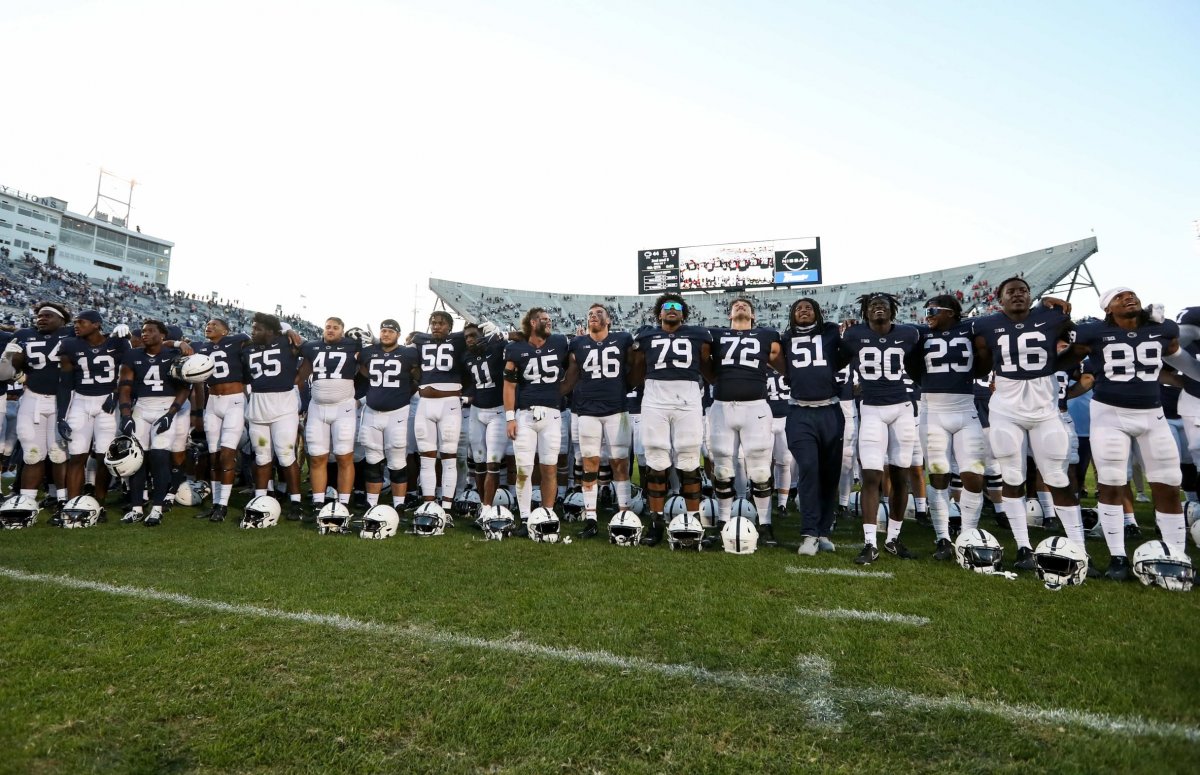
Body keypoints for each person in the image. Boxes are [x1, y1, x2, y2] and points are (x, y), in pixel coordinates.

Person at [1065, 288, 1200, 578]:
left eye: (1132, 295)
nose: (1129, 298)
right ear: (1107, 308)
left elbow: (1180, 359)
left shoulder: (1162, 329)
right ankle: (1117, 557)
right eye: (1119, 296)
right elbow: (1065, 355)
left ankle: (1177, 557)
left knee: (1168, 484)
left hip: (1153, 415)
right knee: (1112, 483)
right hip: (1109, 415)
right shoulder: (1092, 332)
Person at [971, 276, 1079, 571]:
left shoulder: (1052, 315)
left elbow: (1074, 344)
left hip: (1045, 408)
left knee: (1058, 476)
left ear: (1031, 296)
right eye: (1011, 291)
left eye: (1023, 291)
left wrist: (1051, 306)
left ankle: (1078, 549)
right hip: (1006, 408)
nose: (1018, 295)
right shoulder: (984, 326)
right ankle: (1023, 547)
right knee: (1012, 476)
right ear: (999, 299)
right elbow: (981, 361)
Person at [840, 293, 923, 564]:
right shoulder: (853, 335)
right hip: (872, 409)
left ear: (893, 311)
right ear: (866, 311)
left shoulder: (910, 333)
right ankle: (869, 542)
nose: (878, 308)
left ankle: (893, 538)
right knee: (871, 476)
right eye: (873, 305)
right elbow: (838, 360)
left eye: (884, 305)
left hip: (901, 409)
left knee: (901, 476)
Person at [629, 294, 714, 546]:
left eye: (678, 307)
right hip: (655, 397)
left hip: (687, 396)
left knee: (689, 459)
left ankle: (693, 520)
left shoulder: (700, 334)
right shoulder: (645, 336)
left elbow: (709, 365)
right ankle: (655, 522)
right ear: (659, 313)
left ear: (684, 313)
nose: (673, 310)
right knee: (656, 459)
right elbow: (637, 370)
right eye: (667, 307)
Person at [771, 297, 846, 555]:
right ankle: (809, 533)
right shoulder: (785, 338)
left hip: (831, 410)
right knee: (809, 469)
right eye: (798, 308)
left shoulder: (831, 331)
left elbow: (845, 355)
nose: (803, 311)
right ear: (792, 314)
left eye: (809, 308)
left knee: (830, 474)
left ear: (818, 313)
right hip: (799, 411)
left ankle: (823, 530)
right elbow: (779, 364)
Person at [916, 295, 986, 560]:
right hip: (932, 411)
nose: (928, 314)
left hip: (965, 409)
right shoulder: (921, 334)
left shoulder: (972, 327)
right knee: (938, 474)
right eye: (926, 310)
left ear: (952, 313)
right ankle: (942, 537)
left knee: (974, 474)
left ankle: (968, 535)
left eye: (933, 310)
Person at [706, 298, 781, 540]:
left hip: (755, 406)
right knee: (722, 469)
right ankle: (723, 521)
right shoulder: (715, 334)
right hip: (722, 406)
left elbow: (782, 365)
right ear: (728, 314)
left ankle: (766, 523)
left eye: (746, 305)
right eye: (736, 305)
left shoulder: (767, 334)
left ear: (753, 315)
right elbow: (703, 363)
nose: (740, 306)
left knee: (760, 470)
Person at [560, 303, 634, 537]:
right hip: (587, 410)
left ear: (609, 320)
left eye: (598, 313)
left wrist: (625, 387)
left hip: (616, 409)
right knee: (589, 463)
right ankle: (591, 517)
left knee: (619, 463)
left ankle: (625, 512)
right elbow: (571, 376)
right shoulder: (577, 343)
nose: (593, 316)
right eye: (590, 313)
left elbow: (635, 366)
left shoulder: (623, 339)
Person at [116, 320, 189, 526]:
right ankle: (137, 507)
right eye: (144, 330)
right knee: (138, 458)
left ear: (163, 335)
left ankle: (157, 508)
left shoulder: (173, 356)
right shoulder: (132, 355)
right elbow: (125, 387)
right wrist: (126, 415)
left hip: (166, 405)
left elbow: (185, 388)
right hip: (141, 407)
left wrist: (171, 413)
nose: (144, 334)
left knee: (159, 456)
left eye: (150, 331)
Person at [3, 301, 73, 511]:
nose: (41, 319)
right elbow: (11, 370)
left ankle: (61, 499)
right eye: (39, 316)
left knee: (59, 453)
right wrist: (10, 358)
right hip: (33, 398)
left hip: (63, 400)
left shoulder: (73, 334)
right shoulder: (24, 335)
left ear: (62, 319)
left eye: (47, 315)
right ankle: (27, 501)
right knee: (32, 453)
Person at [57, 310, 129, 512]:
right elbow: (65, 384)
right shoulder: (70, 344)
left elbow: (127, 373)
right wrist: (61, 416)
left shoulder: (117, 343)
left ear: (97, 324)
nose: (76, 325)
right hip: (81, 401)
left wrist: (115, 394)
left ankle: (99, 504)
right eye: (75, 322)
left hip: (107, 404)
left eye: (82, 322)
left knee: (103, 457)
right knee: (76, 455)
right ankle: (72, 504)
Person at [503, 307, 569, 524]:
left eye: (549, 319)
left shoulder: (559, 342)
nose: (549, 322)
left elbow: (573, 367)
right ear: (532, 322)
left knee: (550, 468)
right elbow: (509, 385)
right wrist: (510, 418)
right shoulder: (515, 348)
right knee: (524, 469)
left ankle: (547, 514)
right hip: (525, 414)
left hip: (552, 414)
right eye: (544, 319)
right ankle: (524, 517)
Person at [296, 317, 361, 512]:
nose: (331, 330)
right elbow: (301, 375)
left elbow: (368, 366)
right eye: (328, 327)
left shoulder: (353, 345)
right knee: (316, 457)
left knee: (344, 457)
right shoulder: (312, 347)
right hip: (318, 407)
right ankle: (318, 503)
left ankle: (343, 504)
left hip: (344, 408)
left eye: (335, 328)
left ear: (343, 331)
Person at [189, 317, 251, 522]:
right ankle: (216, 503)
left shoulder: (238, 340)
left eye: (215, 324)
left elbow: (256, 342)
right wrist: (177, 342)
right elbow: (180, 347)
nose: (209, 326)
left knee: (226, 455)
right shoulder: (201, 347)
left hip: (234, 401)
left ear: (226, 330)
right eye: (207, 324)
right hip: (212, 402)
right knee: (214, 456)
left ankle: (223, 505)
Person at [245, 312, 305, 520]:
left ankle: (296, 502)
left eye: (258, 329)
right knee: (261, 456)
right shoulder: (247, 348)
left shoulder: (288, 341)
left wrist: (298, 378)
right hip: (258, 406)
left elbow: (312, 354)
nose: (253, 332)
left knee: (286, 455)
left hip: (283, 408)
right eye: (253, 328)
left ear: (271, 331)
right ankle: (260, 499)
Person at [357, 318, 420, 509]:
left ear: (398, 334)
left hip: (398, 411)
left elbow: (417, 374)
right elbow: (361, 367)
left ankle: (399, 506)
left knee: (397, 458)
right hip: (372, 412)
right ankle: (372, 504)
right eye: (383, 331)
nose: (386, 334)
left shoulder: (408, 353)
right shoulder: (369, 352)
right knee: (372, 459)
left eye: (390, 331)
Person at [411, 311, 467, 511]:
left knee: (449, 456)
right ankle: (428, 505)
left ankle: (447, 507)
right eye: (433, 323)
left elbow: (472, 332)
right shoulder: (421, 341)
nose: (436, 326)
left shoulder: (458, 339)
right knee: (426, 457)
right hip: (425, 403)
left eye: (441, 323)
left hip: (449, 403)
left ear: (450, 326)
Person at [462, 321, 509, 510]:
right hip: (476, 411)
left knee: (493, 462)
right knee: (479, 461)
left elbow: (522, 338)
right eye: (467, 337)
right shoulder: (465, 355)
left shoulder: (497, 348)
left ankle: (488, 508)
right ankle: (484, 506)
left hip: (498, 410)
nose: (470, 340)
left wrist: (500, 336)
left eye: (474, 335)